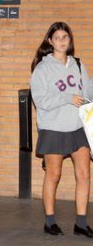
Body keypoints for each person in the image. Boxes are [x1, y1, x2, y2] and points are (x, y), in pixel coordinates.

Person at [30, 22, 93, 237]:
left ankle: (81, 224)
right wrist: (68, 97)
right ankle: (49, 221)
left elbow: (89, 92)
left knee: (84, 174)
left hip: (78, 127)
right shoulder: (42, 68)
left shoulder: (77, 64)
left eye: (65, 36)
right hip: (53, 127)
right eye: (57, 37)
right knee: (54, 175)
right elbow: (40, 99)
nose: (62, 41)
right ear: (50, 41)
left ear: (70, 40)